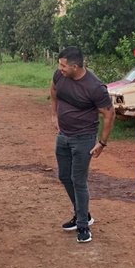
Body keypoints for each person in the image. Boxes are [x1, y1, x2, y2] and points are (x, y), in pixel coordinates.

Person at [50, 46, 115, 243]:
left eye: (63, 66)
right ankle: (83, 214)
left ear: (75, 67)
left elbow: (109, 114)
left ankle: (83, 226)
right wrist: (54, 114)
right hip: (63, 135)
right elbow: (53, 90)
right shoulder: (60, 76)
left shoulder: (94, 87)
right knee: (64, 176)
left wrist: (102, 142)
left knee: (78, 180)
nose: (60, 69)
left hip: (84, 138)